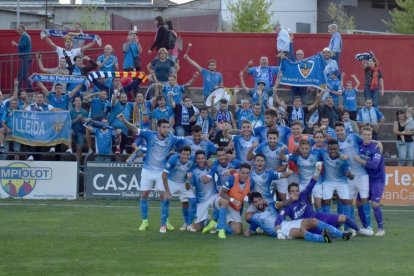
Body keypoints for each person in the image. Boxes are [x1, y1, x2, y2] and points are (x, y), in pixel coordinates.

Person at [117, 117, 184, 232]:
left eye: (168, 127)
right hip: (147, 170)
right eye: (164, 127)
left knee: (164, 197)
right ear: (158, 128)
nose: (166, 130)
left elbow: (186, 141)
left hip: (161, 172)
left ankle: (165, 221)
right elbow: (134, 129)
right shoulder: (149, 135)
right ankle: (145, 221)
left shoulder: (172, 138)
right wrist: (124, 121)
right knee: (144, 195)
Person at [245, 192, 337, 243]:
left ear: (262, 199)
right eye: (256, 202)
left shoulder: (272, 205)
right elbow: (250, 230)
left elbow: (283, 203)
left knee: (313, 221)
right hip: (282, 232)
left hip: (287, 223)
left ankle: (338, 233)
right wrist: (247, 232)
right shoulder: (254, 217)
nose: (259, 203)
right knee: (302, 232)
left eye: (259, 200)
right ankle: (324, 238)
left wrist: (290, 199)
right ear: (252, 204)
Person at [353, 127, 386, 236]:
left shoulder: (376, 148)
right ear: (361, 135)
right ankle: (365, 226)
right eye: (365, 134)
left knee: (375, 203)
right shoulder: (359, 145)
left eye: (369, 135)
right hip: (366, 178)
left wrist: (359, 160)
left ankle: (381, 228)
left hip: (378, 179)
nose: (367, 136)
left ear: (372, 136)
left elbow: (373, 165)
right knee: (358, 203)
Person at [214, 163, 254, 238]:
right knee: (225, 201)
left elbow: (249, 196)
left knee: (237, 231)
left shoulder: (251, 182)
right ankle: (221, 230)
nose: (244, 175)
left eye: (247, 173)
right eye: (243, 172)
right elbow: (222, 193)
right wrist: (232, 200)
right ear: (239, 172)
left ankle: (216, 225)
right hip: (222, 200)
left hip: (234, 206)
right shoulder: (232, 178)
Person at [247, 129, 289, 200]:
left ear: (278, 138)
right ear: (267, 138)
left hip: (279, 175)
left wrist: (272, 173)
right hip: (266, 176)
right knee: (265, 199)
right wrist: (252, 148)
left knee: (283, 199)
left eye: (274, 138)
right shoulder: (262, 146)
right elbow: (249, 158)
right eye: (270, 138)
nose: (272, 140)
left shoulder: (283, 148)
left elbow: (284, 167)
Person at [161, 146, 195, 233]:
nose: (185, 156)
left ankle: (188, 224)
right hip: (171, 181)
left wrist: (188, 180)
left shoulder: (192, 160)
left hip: (183, 183)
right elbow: (164, 174)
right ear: (179, 153)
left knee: (192, 200)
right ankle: (163, 225)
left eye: (187, 154)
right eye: (183, 154)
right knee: (166, 199)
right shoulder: (173, 159)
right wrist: (167, 191)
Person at [320, 139, 354, 218]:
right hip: (327, 182)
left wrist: (349, 175)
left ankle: (347, 226)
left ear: (338, 148)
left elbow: (349, 174)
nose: (333, 151)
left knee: (345, 201)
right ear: (327, 148)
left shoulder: (344, 158)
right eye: (330, 149)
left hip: (341, 182)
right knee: (326, 201)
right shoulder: (323, 153)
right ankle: (327, 224)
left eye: (335, 149)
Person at [189, 150, 219, 232]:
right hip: (201, 199)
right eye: (198, 158)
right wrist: (188, 180)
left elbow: (218, 169)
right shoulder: (193, 170)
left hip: (214, 195)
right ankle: (207, 220)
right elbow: (188, 187)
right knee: (198, 228)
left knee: (219, 202)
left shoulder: (211, 166)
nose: (200, 160)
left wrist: (211, 167)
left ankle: (215, 223)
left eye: (202, 158)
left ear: (205, 158)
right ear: (196, 159)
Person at [12, 25, 32, 90]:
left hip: (25, 57)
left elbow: (22, 46)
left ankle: (28, 87)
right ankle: (22, 88)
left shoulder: (25, 36)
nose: (17, 31)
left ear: (22, 30)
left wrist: (15, 44)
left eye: (18, 30)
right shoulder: (26, 36)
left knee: (23, 73)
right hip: (26, 57)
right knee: (22, 73)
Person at [70, 96, 89, 161]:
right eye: (77, 100)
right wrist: (77, 119)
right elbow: (68, 123)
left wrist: (82, 119)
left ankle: (77, 165)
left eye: (79, 100)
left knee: (79, 148)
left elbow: (85, 124)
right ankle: (69, 148)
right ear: (74, 103)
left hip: (81, 132)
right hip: (72, 130)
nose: (78, 102)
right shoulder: (70, 112)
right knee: (70, 132)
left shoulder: (84, 112)